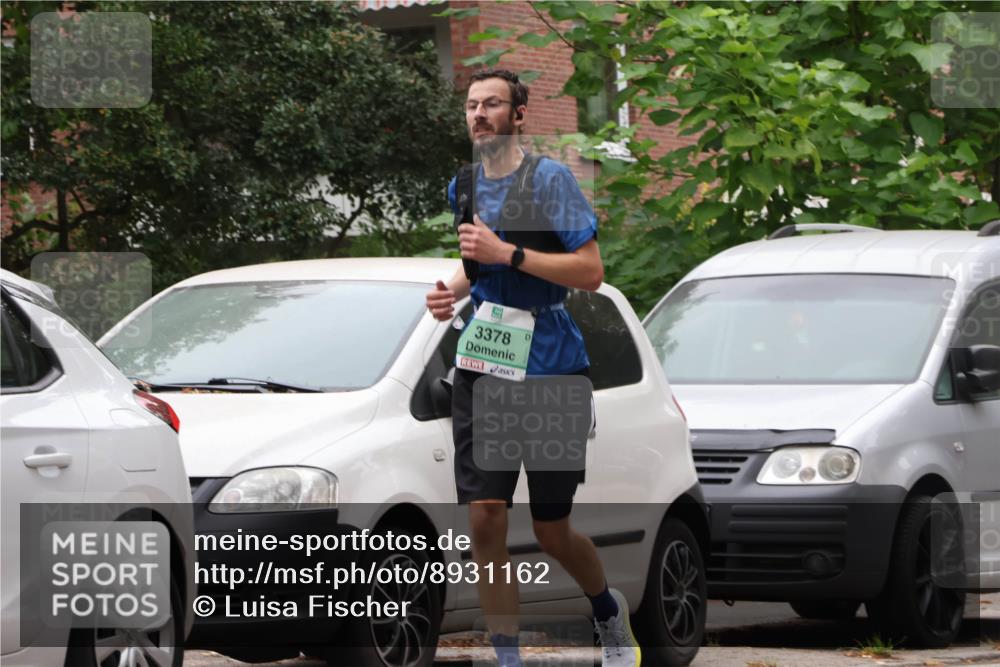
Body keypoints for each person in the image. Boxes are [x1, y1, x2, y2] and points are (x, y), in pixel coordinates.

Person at [424, 68, 640, 667]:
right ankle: (508, 657)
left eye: (492, 104)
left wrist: (510, 252)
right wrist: (451, 290)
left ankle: (607, 612)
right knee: (486, 518)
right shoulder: (464, 185)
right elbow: (478, 263)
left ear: (518, 115)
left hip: (550, 368)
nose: (479, 114)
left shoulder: (549, 180)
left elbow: (590, 271)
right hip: (485, 363)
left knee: (550, 528)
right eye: (472, 105)